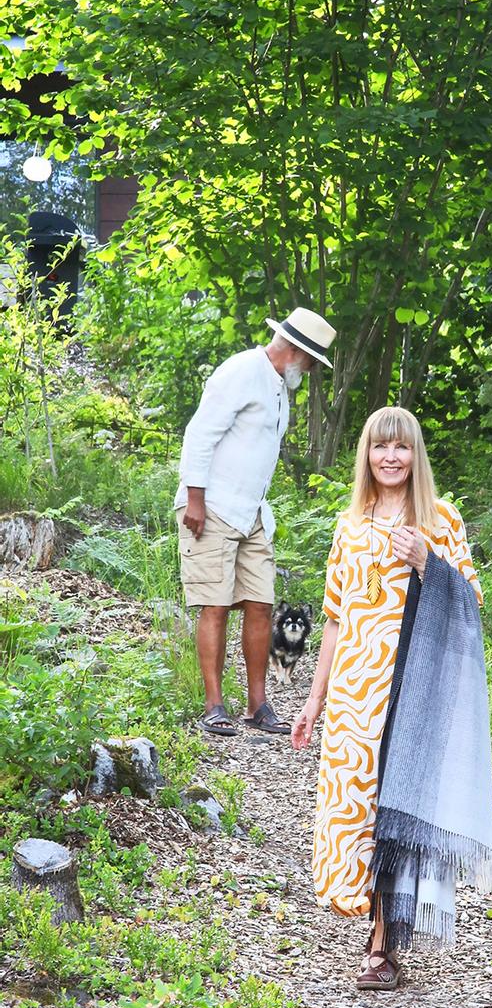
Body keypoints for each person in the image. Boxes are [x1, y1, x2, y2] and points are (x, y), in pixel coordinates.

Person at [291, 406, 486, 990]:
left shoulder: (441, 519)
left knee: (394, 813)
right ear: (367, 455)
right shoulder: (349, 525)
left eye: (401, 447)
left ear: (415, 454)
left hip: (412, 689)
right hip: (355, 690)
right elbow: (333, 619)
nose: (391, 457)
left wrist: (429, 562)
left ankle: (383, 945)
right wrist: (313, 699)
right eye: (380, 447)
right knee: (355, 807)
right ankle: (367, 917)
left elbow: (472, 606)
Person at [176, 308, 335, 736]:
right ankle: (214, 705)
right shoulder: (242, 370)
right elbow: (200, 433)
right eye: (313, 361)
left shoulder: (279, 387)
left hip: (253, 512)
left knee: (261, 603)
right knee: (215, 603)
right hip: (212, 505)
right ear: (297, 351)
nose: (312, 370)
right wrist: (195, 498)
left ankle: (258, 705)